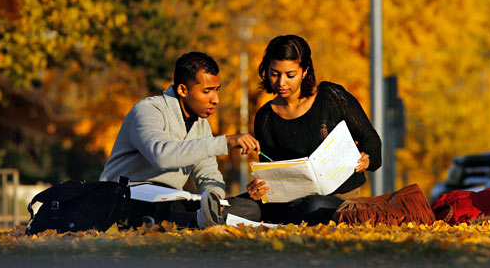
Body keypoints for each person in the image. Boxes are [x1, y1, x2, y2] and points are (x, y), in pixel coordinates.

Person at [100, 51, 261, 228]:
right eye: (207, 91)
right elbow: (161, 156)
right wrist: (225, 142)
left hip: (171, 200)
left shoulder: (201, 125)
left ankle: (205, 217)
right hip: (127, 196)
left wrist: (214, 197)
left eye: (216, 90)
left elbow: (208, 174)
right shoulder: (147, 110)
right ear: (183, 90)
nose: (215, 99)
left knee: (250, 208)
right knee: (164, 208)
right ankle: (197, 220)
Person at [245, 34, 382, 225]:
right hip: (291, 201)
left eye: (290, 75)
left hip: (339, 200)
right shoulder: (265, 117)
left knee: (313, 205)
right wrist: (260, 188)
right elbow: (271, 169)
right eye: (274, 74)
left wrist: (367, 158)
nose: (281, 82)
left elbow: (372, 142)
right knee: (243, 204)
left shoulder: (331, 97)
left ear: (305, 71)